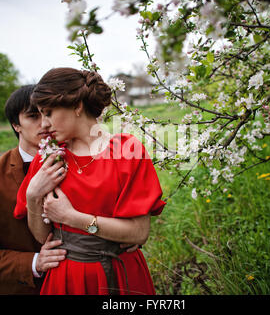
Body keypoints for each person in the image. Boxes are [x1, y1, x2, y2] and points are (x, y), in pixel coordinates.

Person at [13, 67, 166, 295]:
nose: (43, 125)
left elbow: (138, 233)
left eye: (49, 113)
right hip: (67, 278)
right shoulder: (48, 158)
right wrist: (32, 196)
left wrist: (70, 217)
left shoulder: (127, 151)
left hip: (119, 274)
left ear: (77, 106)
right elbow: (43, 236)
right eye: (40, 115)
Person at [0, 85, 67, 294]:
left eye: (48, 113)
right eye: (32, 116)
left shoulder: (80, 160)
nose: (44, 123)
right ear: (15, 125)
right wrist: (34, 263)